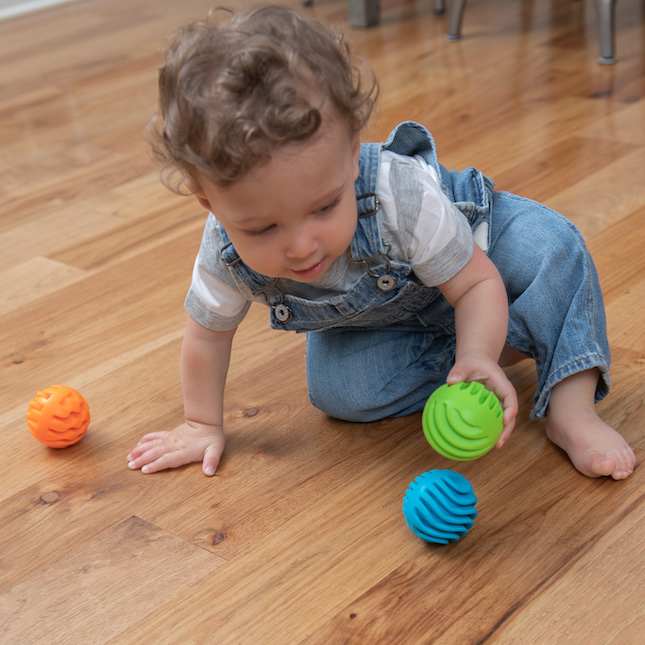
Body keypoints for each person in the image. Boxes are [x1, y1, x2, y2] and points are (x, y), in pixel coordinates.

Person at [127, 5, 635, 480]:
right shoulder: (224, 252)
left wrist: (476, 350)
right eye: (262, 229)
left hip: (474, 250)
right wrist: (200, 424)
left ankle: (570, 404)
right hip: (393, 314)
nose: (302, 246)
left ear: (352, 155)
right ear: (208, 203)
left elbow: (478, 281)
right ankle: (504, 343)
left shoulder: (398, 191)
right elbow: (207, 338)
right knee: (342, 393)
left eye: (324, 207)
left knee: (552, 246)